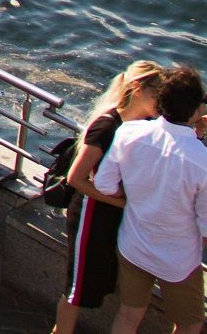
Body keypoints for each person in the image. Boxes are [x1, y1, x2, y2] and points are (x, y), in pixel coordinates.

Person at [96, 65, 207, 334]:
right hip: (177, 260)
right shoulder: (205, 161)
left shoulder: (129, 133)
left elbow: (104, 183)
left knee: (128, 315)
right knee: (189, 324)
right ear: (194, 110)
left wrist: (136, 197)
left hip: (133, 245)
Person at [55, 61, 165, 334]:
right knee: (77, 288)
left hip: (116, 216)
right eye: (157, 94)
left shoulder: (146, 125)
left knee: (99, 282)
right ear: (138, 88)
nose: (161, 102)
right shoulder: (106, 126)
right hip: (91, 216)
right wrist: (119, 202)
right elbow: (76, 179)